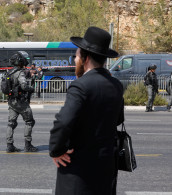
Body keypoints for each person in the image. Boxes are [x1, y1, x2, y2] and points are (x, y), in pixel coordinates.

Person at [49, 27, 124, 195]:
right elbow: (118, 119)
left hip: (78, 172)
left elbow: (63, 121)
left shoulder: (81, 85)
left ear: (86, 58)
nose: (75, 60)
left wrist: (56, 150)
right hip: (106, 168)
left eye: (76, 56)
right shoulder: (116, 85)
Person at [5, 51, 38, 153]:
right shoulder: (20, 72)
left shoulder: (9, 72)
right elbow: (23, 85)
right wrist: (31, 88)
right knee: (29, 121)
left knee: (11, 123)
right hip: (21, 102)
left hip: (11, 101)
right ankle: (28, 145)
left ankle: (9, 145)